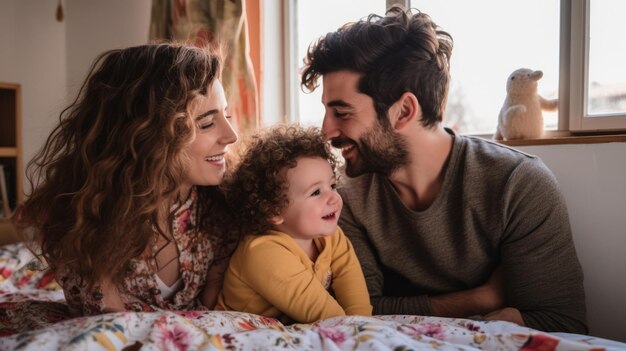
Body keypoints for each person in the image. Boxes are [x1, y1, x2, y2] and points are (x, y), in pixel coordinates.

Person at [300, 6, 587, 333]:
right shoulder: (344, 197)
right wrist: (482, 299)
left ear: (404, 111)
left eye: (342, 113)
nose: (327, 131)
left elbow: (561, 326)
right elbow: (360, 313)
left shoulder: (517, 185)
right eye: (326, 111)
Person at [14, 43, 239, 316]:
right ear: (146, 133)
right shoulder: (83, 217)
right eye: (206, 123)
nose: (232, 136)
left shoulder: (227, 206)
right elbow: (111, 328)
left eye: (226, 115)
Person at [216, 125, 372, 324]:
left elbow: (352, 287)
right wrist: (356, 330)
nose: (333, 197)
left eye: (332, 185)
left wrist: (366, 325)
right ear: (273, 210)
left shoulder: (332, 237)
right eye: (316, 192)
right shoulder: (263, 252)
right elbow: (327, 316)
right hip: (240, 331)